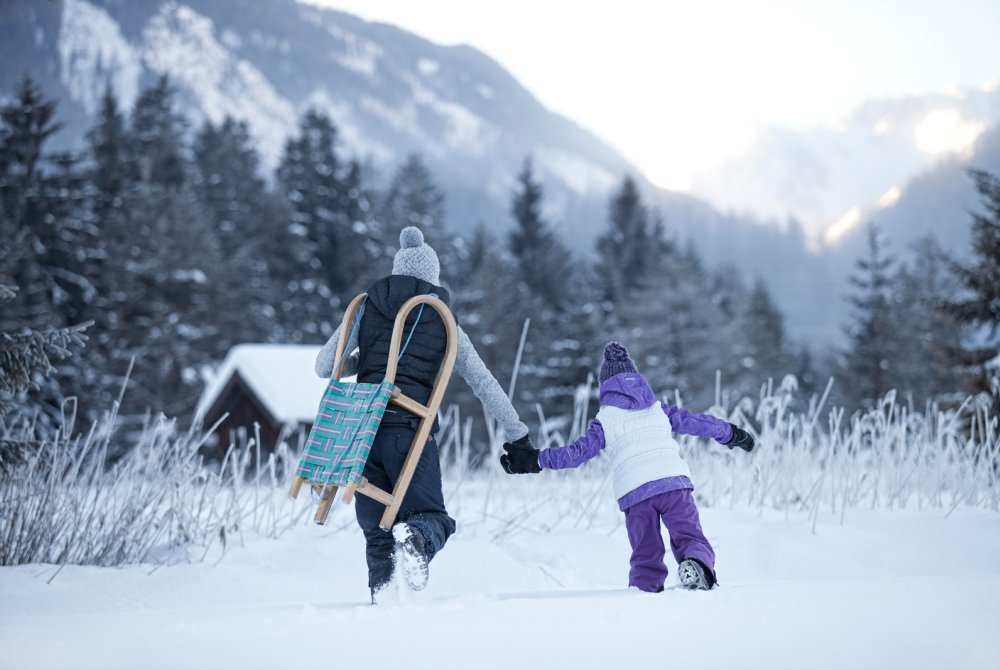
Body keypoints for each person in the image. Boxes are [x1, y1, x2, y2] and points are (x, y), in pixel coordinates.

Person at [315, 226, 533, 600]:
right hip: (410, 433)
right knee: (432, 520)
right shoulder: (442, 318)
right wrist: (518, 436)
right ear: (432, 277)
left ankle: (382, 606)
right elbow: (483, 382)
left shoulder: (366, 305)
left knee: (378, 536)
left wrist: (364, 360)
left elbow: (324, 366)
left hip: (361, 435)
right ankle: (416, 542)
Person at [500, 341, 755, 592]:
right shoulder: (659, 410)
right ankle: (697, 565)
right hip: (673, 483)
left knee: (646, 551)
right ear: (638, 379)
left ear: (605, 388)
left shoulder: (605, 420)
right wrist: (732, 434)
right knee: (690, 536)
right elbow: (699, 422)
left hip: (636, 494)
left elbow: (574, 455)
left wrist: (534, 459)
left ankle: (643, 593)